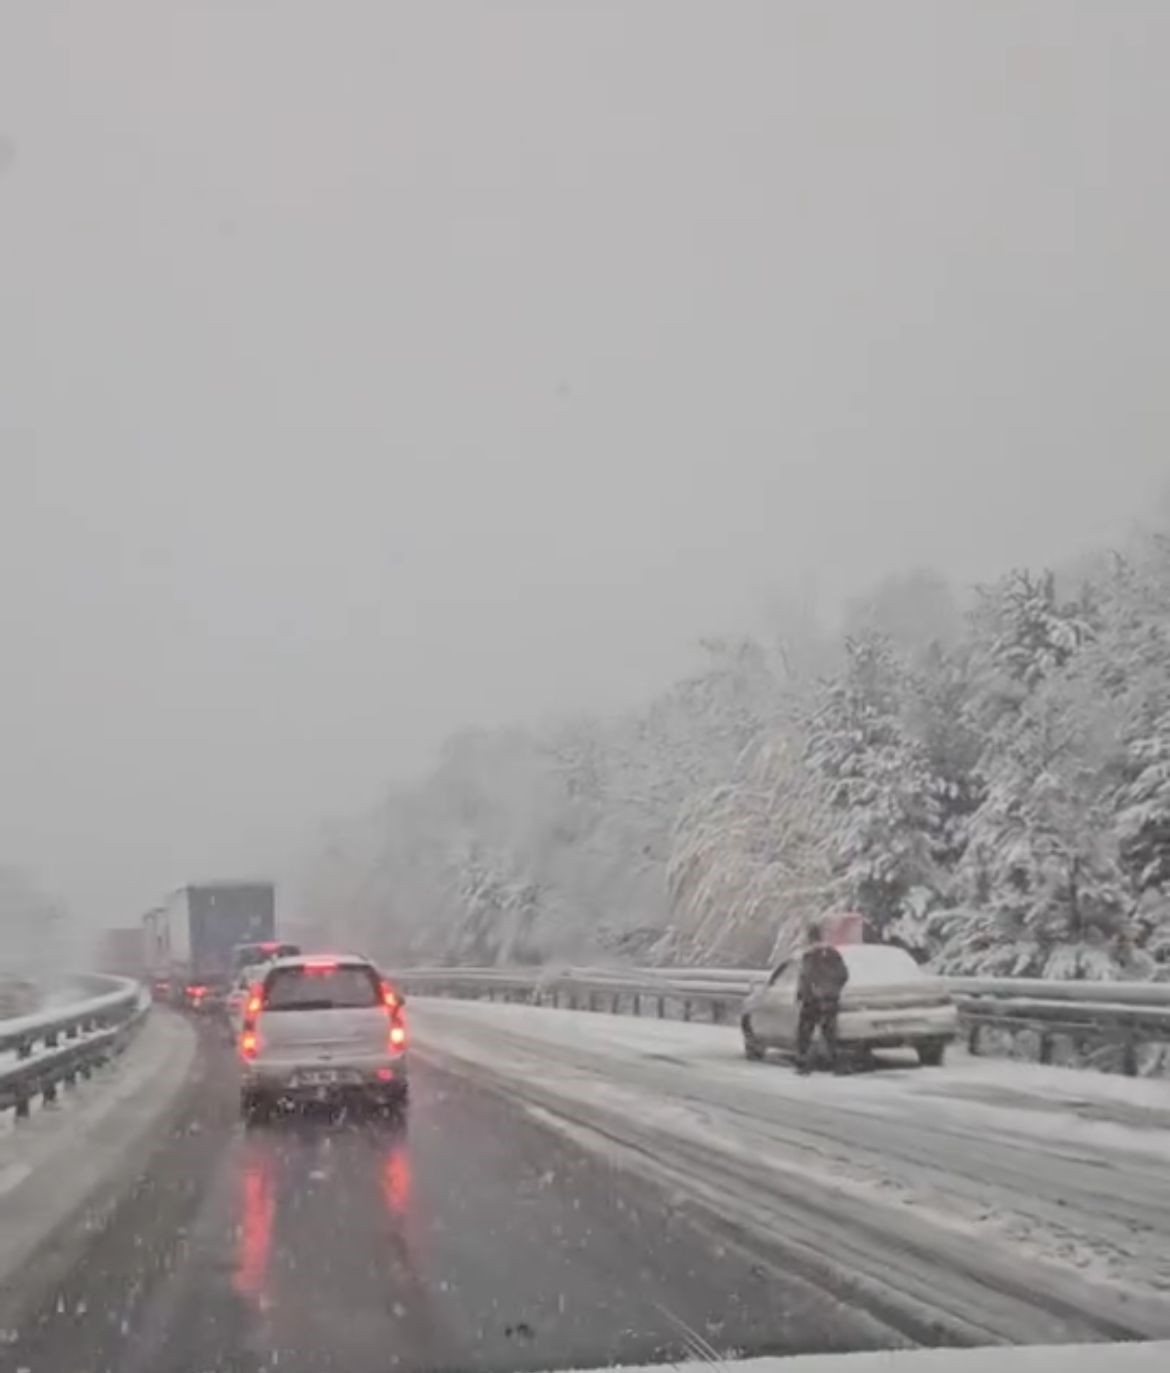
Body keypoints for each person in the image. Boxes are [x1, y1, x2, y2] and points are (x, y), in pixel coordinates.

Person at [795, 919, 849, 1074]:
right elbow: (844, 975)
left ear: (809, 937)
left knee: (805, 1032)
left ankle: (804, 1064)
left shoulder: (809, 956)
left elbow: (806, 977)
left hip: (812, 1000)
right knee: (830, 1033)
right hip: (831, 999)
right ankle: (836, 1064)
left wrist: (802, 994)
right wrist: (833, 990)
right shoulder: (833, 954)